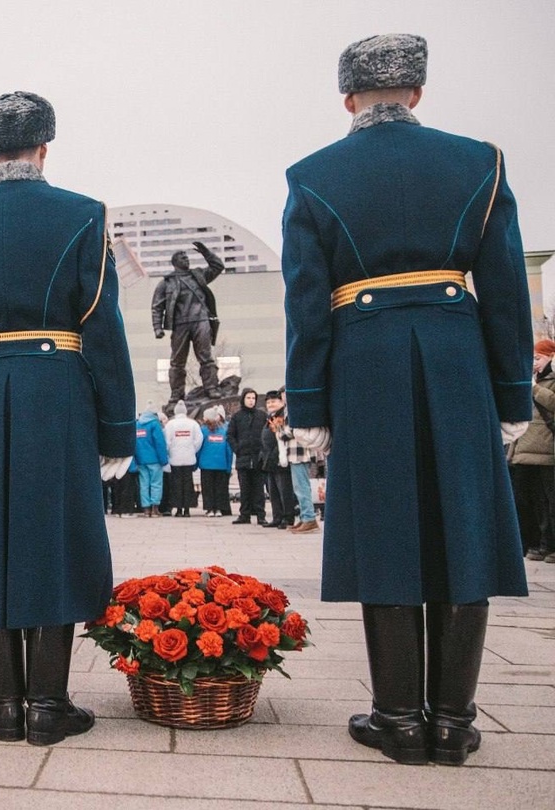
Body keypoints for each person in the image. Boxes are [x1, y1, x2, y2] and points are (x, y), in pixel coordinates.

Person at [282, 34, 531, 766]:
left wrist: (309, 406)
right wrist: (511, 388)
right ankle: (452, 721)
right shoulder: (478, 163)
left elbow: (305, 304)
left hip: (365, 358)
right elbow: (507, 289)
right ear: (416, 94)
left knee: (387, 527)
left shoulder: (313, 174)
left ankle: (396, 716)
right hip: (458, 354)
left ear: (347, 99)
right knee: (464, 525)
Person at [0, 91, 135, 746]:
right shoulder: (81, 215)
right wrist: (117, 426)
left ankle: (4, 705)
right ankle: (47, 702)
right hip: (57, 390)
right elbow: (103, 328)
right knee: (55, 538)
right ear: (45, 146)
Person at [151, 241, 225, 408]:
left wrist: (206, 252)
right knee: (177, 362)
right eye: (182, 257)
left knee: (206, 358)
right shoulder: (166, 283)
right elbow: (157, 307)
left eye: (187, 256)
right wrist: (157, 328)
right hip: (180, 324)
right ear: (175, 261)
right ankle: (177, 394)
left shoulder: (198, 276)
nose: (186, 259)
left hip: (201, 321)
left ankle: (211, 388)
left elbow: (218, 266)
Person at [508, 340, 555, 562]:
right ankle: (533, 543)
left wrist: (534, 388)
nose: (534, 363)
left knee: (548, 501)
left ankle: (548, 544)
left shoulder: (545, 382)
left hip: (546, 452)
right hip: (525, 450)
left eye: (539, 358)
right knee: (527, 500)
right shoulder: (531, 380)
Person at [277, 389, 320, 533]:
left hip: (299, 452)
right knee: (299, 487)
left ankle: (309, 518)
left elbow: (293, 429)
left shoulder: (295, 408)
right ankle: (304, 517)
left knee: (302, 487)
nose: (283, 397)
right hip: (295, 451)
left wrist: (280, 432)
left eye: (285, 394)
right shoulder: (290, 408)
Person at [226, 388, 268, 525]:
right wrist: (237, 449)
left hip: (258, 457)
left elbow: (266, 434)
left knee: (258, 488)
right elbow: (230, 435)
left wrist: (263, 450)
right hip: (243, 457)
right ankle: (245, 514)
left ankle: (261, 515)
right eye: (248, 398)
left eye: (253, 398)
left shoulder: (262, 416)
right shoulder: (237, 417)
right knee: (244, 488)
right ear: (243, 399)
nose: (251, 401)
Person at [261, 390, 296, 529]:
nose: (270, 404)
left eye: (274, 401)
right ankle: (277, 517)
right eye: (268, 402)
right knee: (273, 490)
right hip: (269, 458)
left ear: (281, 402)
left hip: (280, 457)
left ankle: (288, 517)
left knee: (284, 490)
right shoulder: (270, 416)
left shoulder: (282, 416)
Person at [165, 400, 202, 516]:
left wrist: (171, 451)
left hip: (175, 459)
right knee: (188, 484)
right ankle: (187, 509)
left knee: (176, 484)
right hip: (189, 458)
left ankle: (178, 509)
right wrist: (192, 450)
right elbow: (198, 440)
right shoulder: (193, 424)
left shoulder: (170, 424)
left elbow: (167, 441)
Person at [197, 405, 233, 516]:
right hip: (221, 464)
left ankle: (209, 509)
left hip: (206, 464)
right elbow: (228, 450)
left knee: (207, 488)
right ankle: (218, 509)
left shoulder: (203, 430)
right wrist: (229, 465)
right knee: (219, 488)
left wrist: (197, 462)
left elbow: (198, 447)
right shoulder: (223, 430)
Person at [135, 405, 169, 517]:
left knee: (144, 484)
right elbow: (159, 443)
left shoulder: (137, 424)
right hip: (154, 459)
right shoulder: (154, 424)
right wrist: (164, 459)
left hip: (141, 459)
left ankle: (146, 509)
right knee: (156, 483)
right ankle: (155, 508)